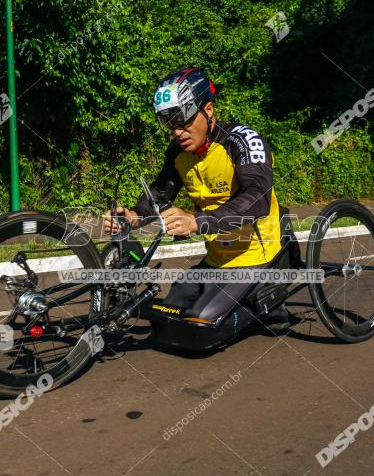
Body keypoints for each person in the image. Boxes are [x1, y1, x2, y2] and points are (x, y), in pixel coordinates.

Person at [103, 68, 290, 331]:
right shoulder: (179, 153)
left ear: (209, 110)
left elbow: (257, 197)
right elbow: (158, 194)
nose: (177, 132)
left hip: (259, 256)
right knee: (167, 322)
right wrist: (132, 217)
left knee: (199, 326)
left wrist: (195, 222)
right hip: (217, 260)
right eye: (170, 123)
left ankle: (269, 306)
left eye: (183, 121)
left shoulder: (242, 140)